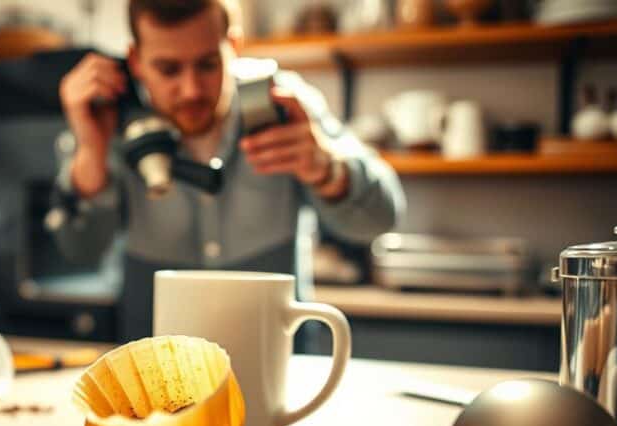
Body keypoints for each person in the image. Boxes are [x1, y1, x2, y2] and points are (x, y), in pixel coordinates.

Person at [52, 0, 405, 342]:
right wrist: (91, 153)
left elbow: (381, 219)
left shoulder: (283, 106)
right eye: (168, 69)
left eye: (207, 64)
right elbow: (78, 251)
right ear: (136, 61)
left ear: (232, 45)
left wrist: (328, 170)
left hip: (280, 367)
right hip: (155, 377)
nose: (190, 90)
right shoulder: (107, 123)